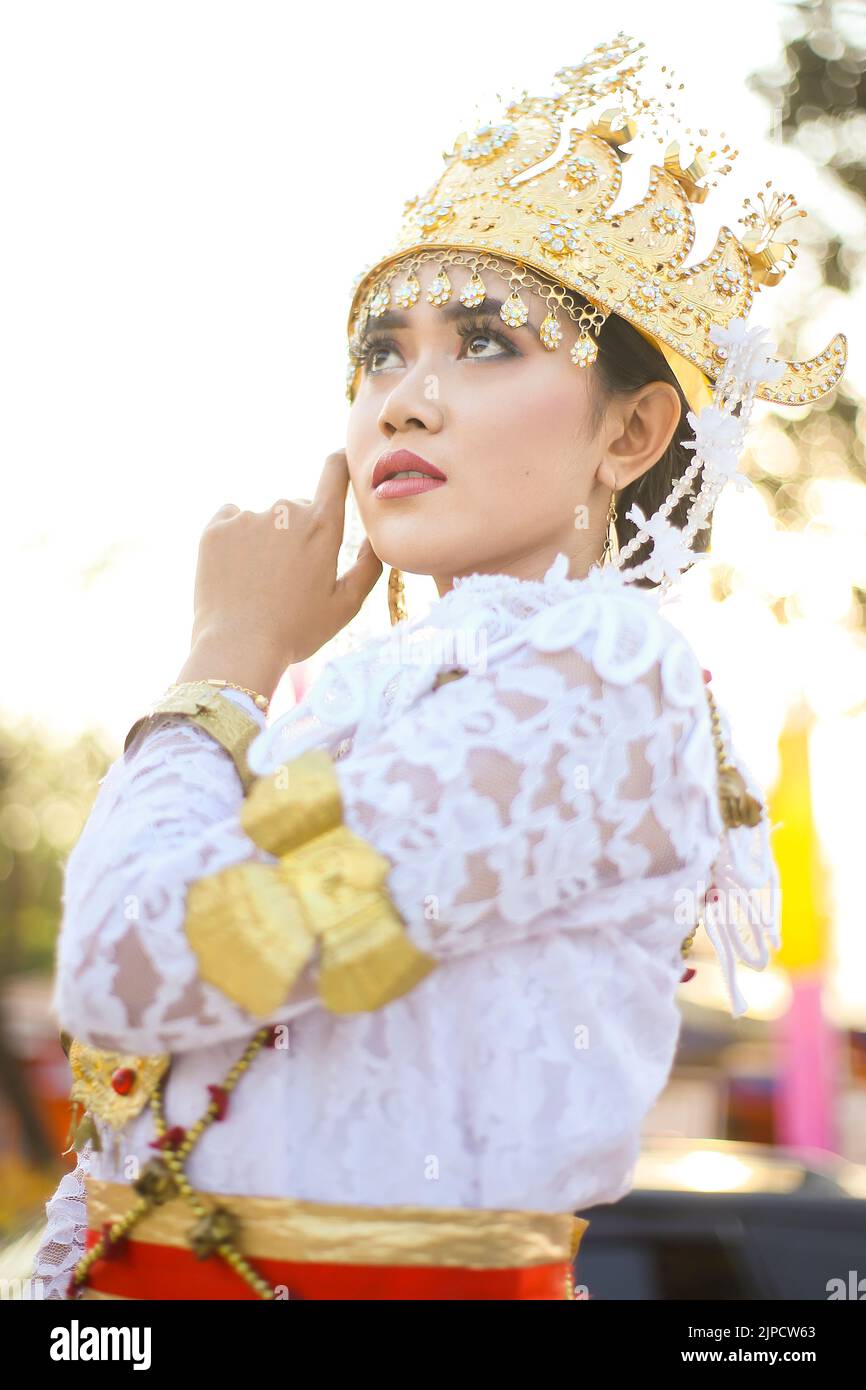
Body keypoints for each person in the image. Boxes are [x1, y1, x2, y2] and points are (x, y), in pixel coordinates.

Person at [30, 34, 845, 1301]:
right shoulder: (373, 704)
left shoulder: (598, 673)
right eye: (379, 353)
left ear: (629, 431)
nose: (402, 401)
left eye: (482, 343)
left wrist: (221, 659)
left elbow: (127, 975)